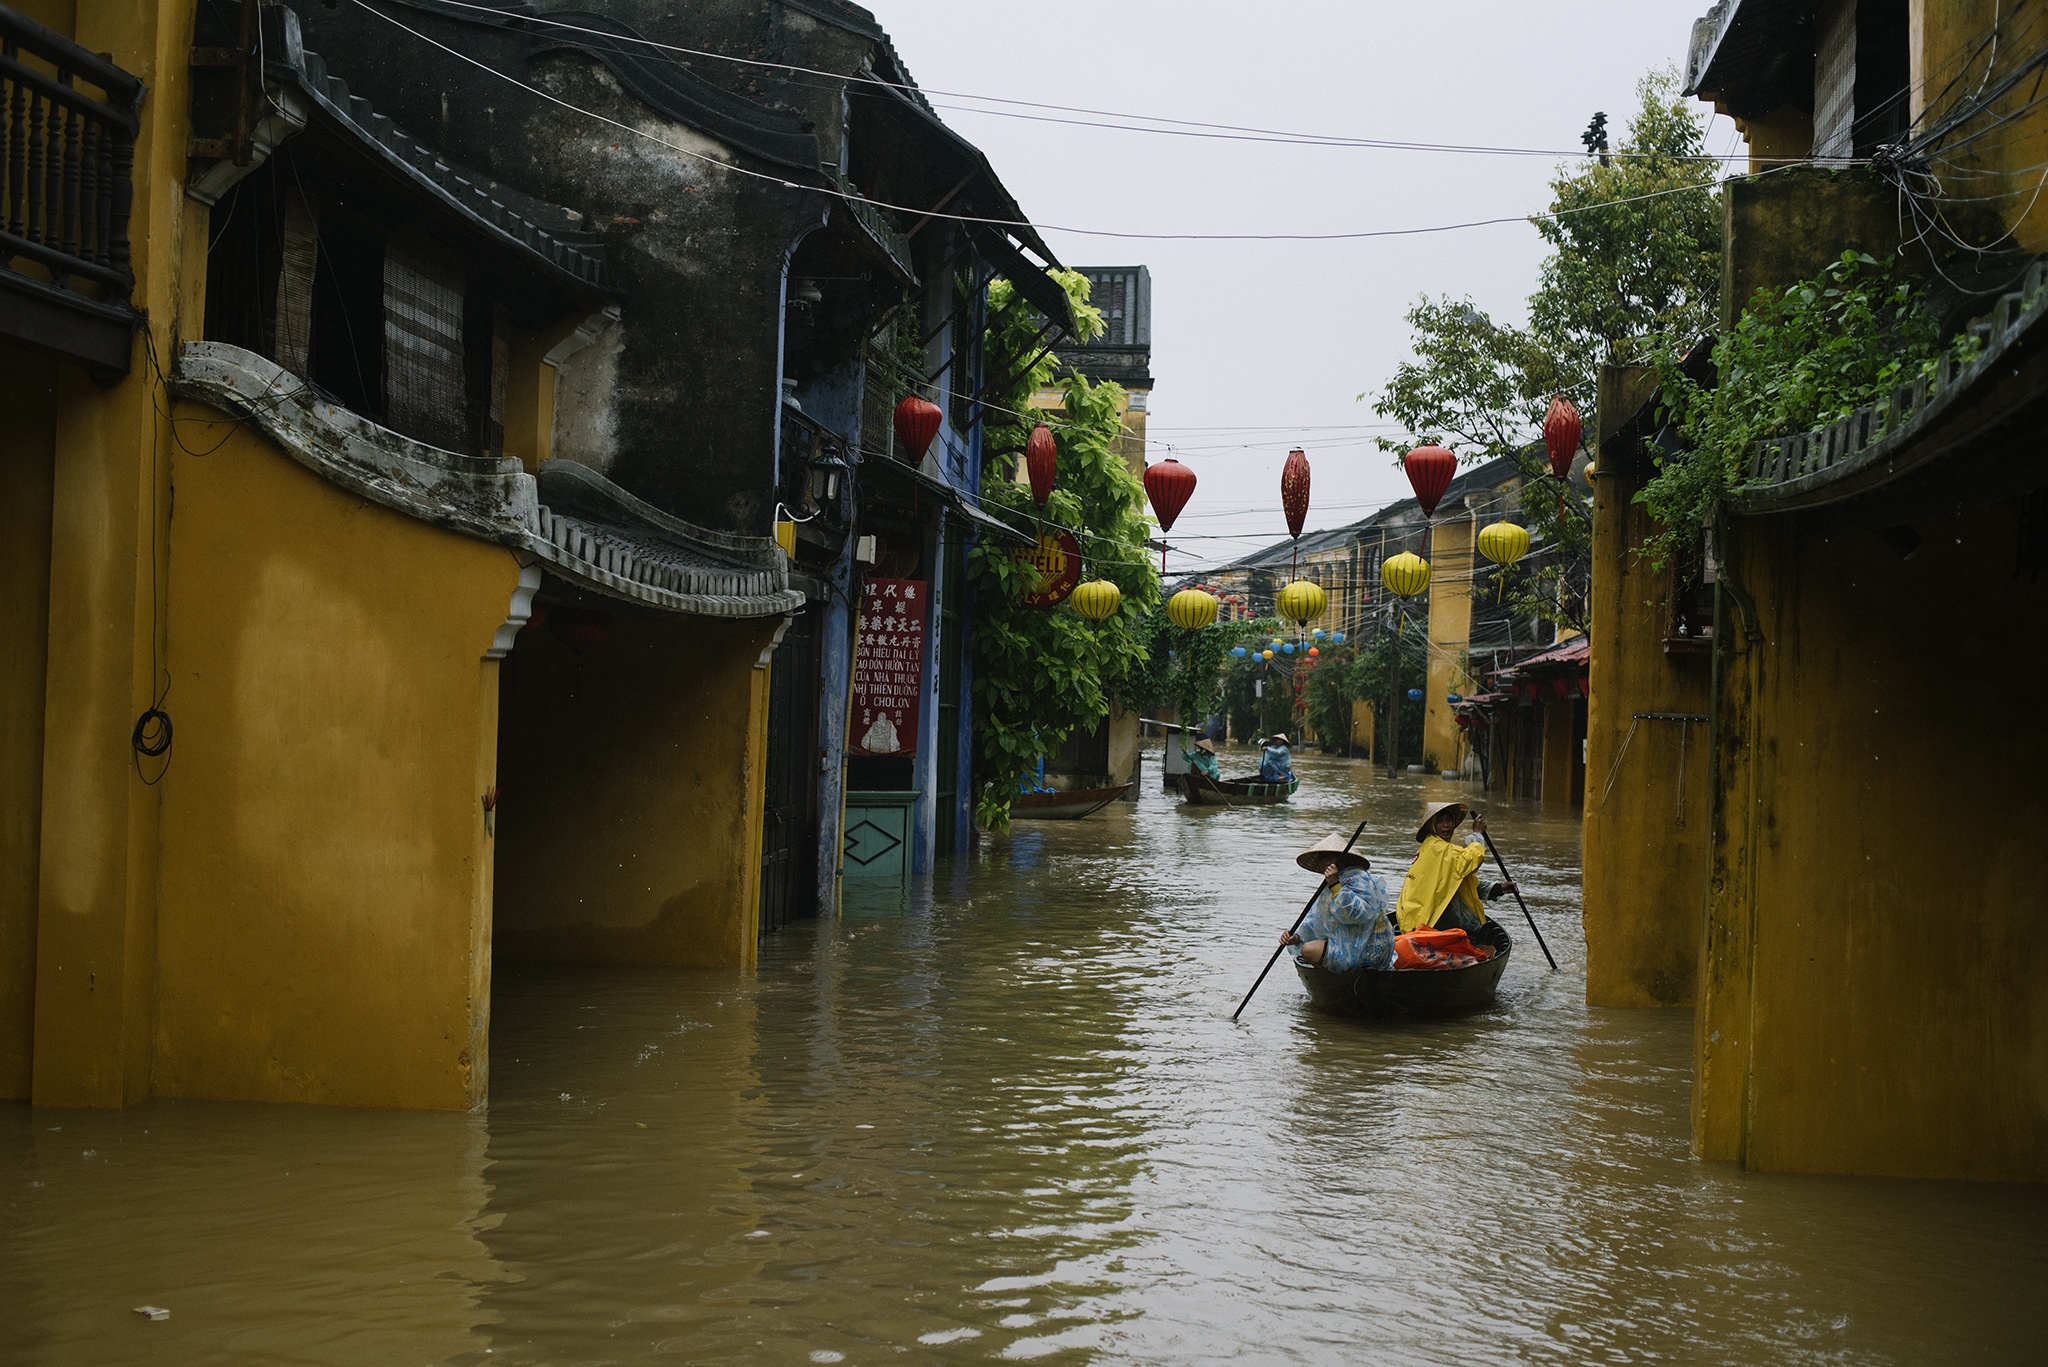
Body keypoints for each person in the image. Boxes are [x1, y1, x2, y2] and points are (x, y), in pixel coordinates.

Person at [1396, 801, 1516, 935]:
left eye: (1449, 820)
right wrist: (1477, 835)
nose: (1446, 825)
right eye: (1440, 821)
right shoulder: (1437, 848)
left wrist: (1498, 888)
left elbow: (1461, 882)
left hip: (1412, 921)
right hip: (1423, 923)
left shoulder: (1440, 850)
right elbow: (1473, 858)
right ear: (1433, 826)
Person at [1279, 834, 1395, 971]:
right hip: (1351, 945)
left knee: (1309, 950)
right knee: (1307, 947)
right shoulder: (1328, 884)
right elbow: (1316, 919)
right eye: (1322, 857)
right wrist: (1296, 936)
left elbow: (1355, 915)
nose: (1324, 861)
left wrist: (1335, 884)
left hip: (1369, 949)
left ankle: (1339, 977)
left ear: (1343, 859)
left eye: (1329, 857)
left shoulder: (1357, 877)